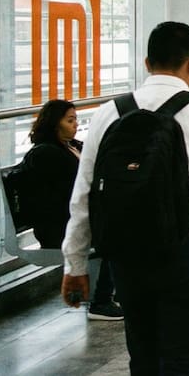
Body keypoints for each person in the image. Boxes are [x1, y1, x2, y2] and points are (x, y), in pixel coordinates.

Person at [61, 21, 189, 375]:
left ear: (146, 62)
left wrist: (74, 264)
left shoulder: (110, 113)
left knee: (144, 355)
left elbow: (85, 194)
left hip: (128, 254)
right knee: (185, 360)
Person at [24, 100, 122, 320]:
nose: (75, 125)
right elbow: (67, 194)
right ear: (53, 124)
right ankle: (101, 300)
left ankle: (116, 293)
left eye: (76, 119)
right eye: (70, 120)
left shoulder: (71, 147)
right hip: (59, 226)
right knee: (117, 233)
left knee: (120, 227)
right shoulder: (46, 155)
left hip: (72, 218)